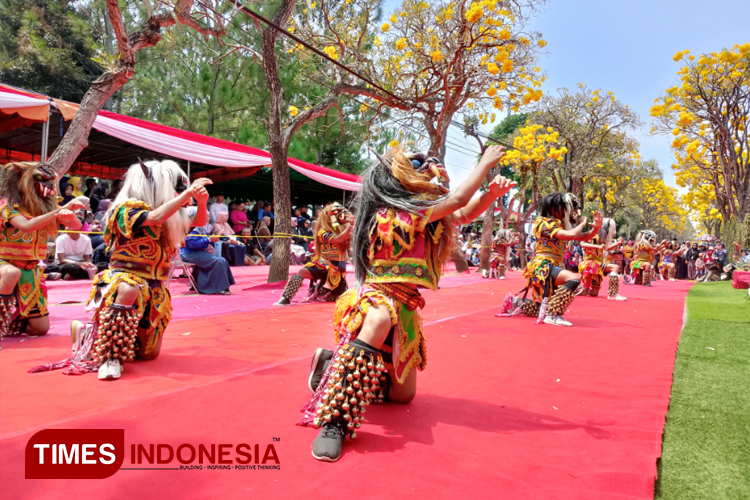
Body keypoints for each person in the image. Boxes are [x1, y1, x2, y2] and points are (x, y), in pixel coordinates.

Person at [298, 145, 515, 462]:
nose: (428, 166)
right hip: (377, 295)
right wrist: (483, 164)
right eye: (417, 163)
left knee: (403, 396)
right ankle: (335, 421)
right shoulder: (391, 213)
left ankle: (332, 364)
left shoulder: (427, 213)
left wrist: (490, 195)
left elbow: (463, 212)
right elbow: (455, 200)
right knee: (379, 320)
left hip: (408, 305)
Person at [30, 160, 212, 380]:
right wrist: (184, 196)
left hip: (155, 283)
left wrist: (201, 202)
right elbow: (154, 218)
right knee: (128, 289)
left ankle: (93, 335)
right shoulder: (126, 208)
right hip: (126, 275)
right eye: (175, 188)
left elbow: (198, 219)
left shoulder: (171, 212)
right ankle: (109, 356)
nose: (181, 194)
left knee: (148, 355)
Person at [0, 162, 84, 343]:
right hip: (4, 263)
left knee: (40, 328)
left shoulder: (48, 208)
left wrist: (70, 215)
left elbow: (76, 227)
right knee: (11, 273)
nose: (47, 183)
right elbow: (27, 226)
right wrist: (58, 212)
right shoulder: (8, 205)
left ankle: (11, 320)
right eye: (39, 178)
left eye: (49, 179)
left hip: (31, 271)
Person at [499, 193, 602, 326]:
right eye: (566, 208)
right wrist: (582, 224)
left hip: (551, 266)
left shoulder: (558, 225)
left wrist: (596, 228)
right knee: (574, 278)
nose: (570, 213)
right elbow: (571, 235)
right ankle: (553, 315)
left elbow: (583, 236)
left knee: (541, 307)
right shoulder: (544, 223)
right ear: (555, 209)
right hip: (542, 266)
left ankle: (515, 302)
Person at [275, 203, 353, 305]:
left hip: (337, 269)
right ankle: (286, 297)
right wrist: (349, 228)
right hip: (324, 264)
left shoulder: (345, 231)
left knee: (338, 297)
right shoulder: (323, 232)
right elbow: (338, 239)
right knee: (302, 271)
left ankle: (318, 291)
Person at [181, 213, 235, 295]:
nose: (209, 217)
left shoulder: (202, 228)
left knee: (222, 260)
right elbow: (192, 244)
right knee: (218, 261)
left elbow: (203, 242)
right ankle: (215, 288)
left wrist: (211, 241)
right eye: (207, 215)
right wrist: (208, 240)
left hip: (198, 251)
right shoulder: (191, 228)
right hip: (188, 253)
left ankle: (222, 286)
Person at [577, 218, 627, 300]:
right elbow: (583, 244)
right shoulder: (593, 236)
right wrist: (597, 246)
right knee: (615, 267)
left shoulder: (601, 239)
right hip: (591, 264)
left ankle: (580, 289)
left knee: (594, 293)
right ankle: (612, 294)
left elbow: (606, 248)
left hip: (598, 264)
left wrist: (617, 243)